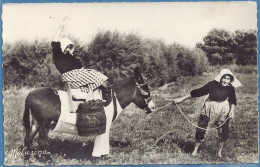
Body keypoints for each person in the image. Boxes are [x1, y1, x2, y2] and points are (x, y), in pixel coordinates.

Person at [173, 68, 242, 157]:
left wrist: (232, 110)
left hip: (223, 110)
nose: (225, 81)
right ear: (220, 77)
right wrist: (181, 99)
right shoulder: (212, 84)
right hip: (209, 109)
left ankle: (219, 153)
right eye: (224, 78)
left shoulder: (230, 88)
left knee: (223, 132)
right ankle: (195, 151)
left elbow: (233, 100)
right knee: (201, 130)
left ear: (231, 80)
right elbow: (198, 92)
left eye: (228, 79)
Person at [51, 20, 108, 101]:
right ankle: (91, 100)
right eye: (67, 46)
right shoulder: (58, 55)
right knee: (96, 76)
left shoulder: (74, 59)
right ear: (63, 46)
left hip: (78, 76)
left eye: (70, 47)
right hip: (69, 76)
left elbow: (82, 69)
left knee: (101, 77)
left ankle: (92, 99)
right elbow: (54, 42)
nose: (68, 49)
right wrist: (61, 28)